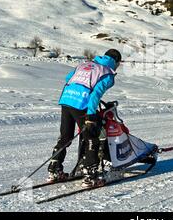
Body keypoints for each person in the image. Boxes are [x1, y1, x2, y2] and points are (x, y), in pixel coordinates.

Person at [48, 49, 122, 187]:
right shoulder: (107, 73)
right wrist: (91, 114)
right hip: (81, 103)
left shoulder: (84, 64)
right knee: (91, 137)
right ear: (116, 62)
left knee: (65, 136)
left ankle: (54, 169)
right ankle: (89, 175)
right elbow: (96, 94)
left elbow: (68, 78)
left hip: (66, 99)